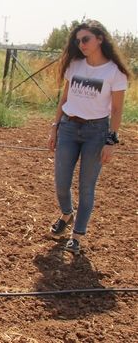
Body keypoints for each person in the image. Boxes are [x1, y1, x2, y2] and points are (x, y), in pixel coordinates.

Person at [48, 20, 130, 255]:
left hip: (96, 132)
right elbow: (64, 100)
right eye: (78, 40)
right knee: (61, 182)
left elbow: (116, 110)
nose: (81, 44)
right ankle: (66, 213)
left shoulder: (114, 72)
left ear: (100, 39)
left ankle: (77, 235)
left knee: (87, 186)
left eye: (86, 39)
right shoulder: (74, 65)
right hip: (68, 128)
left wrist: (111, 141)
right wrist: (54, 127)